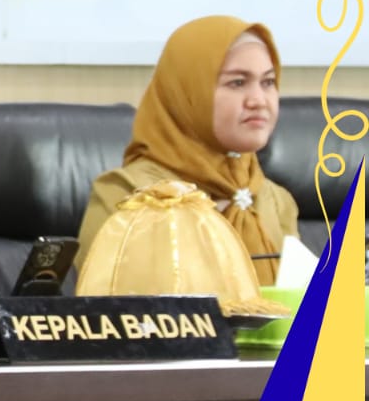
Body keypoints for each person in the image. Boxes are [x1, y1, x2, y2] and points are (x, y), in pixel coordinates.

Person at [76, 15, 298, 282]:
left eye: (268, 82)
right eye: (237, 83)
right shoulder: (128, 196)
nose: (259, 100)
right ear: (187, 93)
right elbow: (112, 302)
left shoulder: (275, 200)